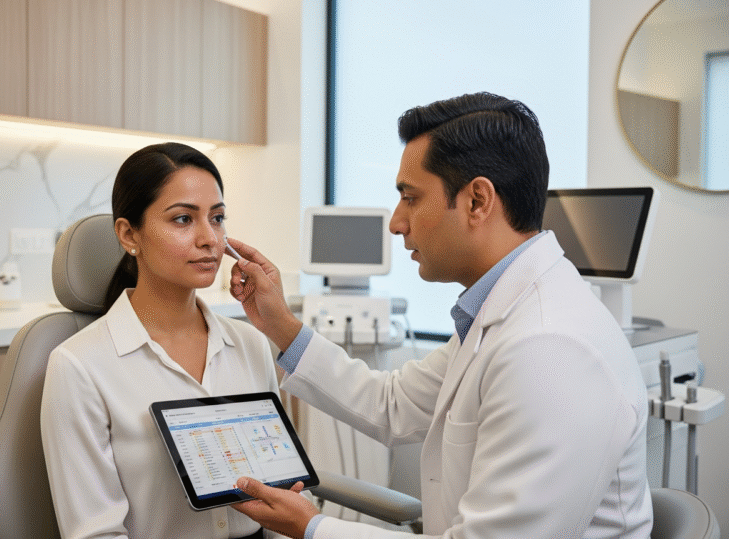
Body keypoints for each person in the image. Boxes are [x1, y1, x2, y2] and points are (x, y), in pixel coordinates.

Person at [224, 93, 653, 539]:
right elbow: (391, 403)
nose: (395, 222)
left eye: (410, 198)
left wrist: (312, 528)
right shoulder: (500, 314)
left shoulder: (550, 348)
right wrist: (277, 323)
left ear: (477, 201)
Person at [40, 142, 291, 539]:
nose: (211, 239)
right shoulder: (80, 365)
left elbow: (282, 494)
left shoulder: (251, 343)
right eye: (182, 220)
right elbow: (96, 533)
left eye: (218, 217)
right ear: (128, 234)